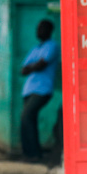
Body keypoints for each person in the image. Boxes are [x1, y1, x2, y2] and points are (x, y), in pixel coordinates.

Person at [20, 19, 60, 162]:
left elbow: (42, 64)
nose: (38, 31)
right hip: (29, 90)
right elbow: (23, 69)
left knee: (27, 116)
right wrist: (34, 66)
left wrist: (33, 66)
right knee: (27, 119)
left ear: (49, 30)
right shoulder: (36, 48)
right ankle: (29, 153)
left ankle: (34, 153)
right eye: (37, 28)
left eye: (41, 28)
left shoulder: (52, 46)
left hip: (43, 89)